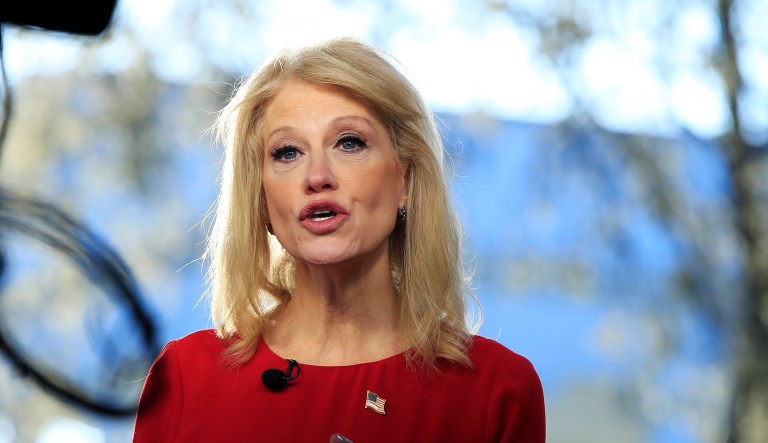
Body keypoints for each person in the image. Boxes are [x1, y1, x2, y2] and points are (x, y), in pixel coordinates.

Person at [133, 37, 545, 442]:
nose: (317, 177)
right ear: (259, 197)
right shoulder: (185, 378)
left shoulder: (497, 393)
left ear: (405, 178)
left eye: (349, 142)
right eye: (288, 152)